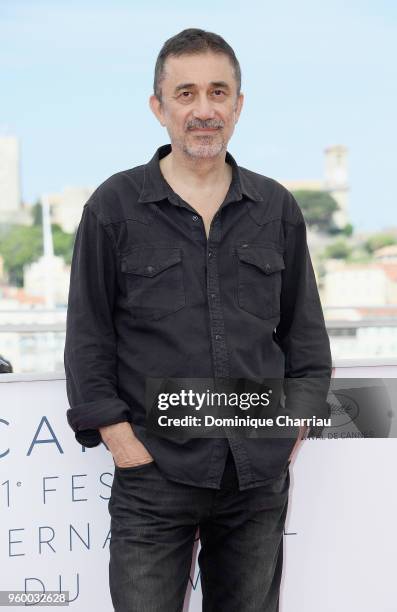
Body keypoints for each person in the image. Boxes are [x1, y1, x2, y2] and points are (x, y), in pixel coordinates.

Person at [64, 28, 332, 612]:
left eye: (218, 92)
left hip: (256, 474)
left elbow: (305, 337)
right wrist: (120, 439)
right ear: (158, 107)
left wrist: (292, 426)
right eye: (185, 94)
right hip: (153, 470)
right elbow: (88, 336)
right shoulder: (112, 207)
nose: (203, 109)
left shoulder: (276, 208)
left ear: (239, 105)